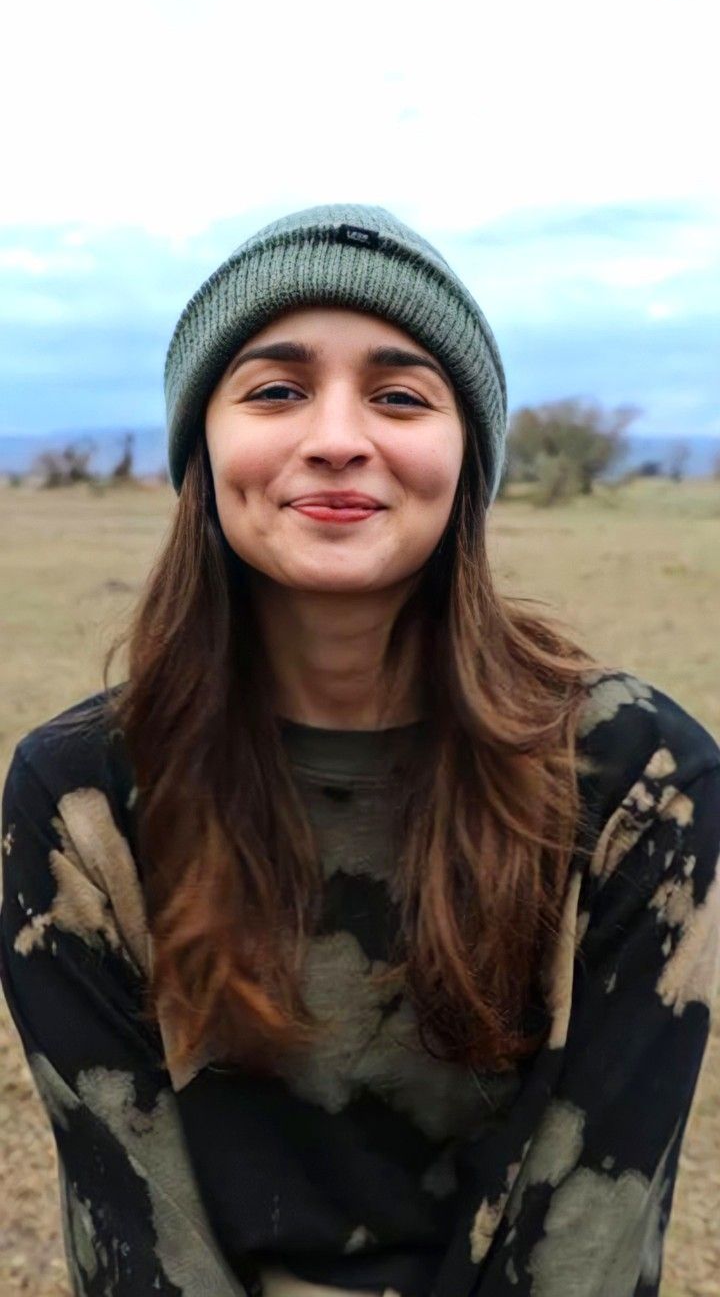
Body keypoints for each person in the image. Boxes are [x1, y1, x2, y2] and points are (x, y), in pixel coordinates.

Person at [1, 202, 719, 1297]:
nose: (338, 437)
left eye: (398, 395)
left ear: (465, 452)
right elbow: (137, 1236)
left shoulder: (641, 781)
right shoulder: (79, 799)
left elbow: (592, 1238)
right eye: (277, 389)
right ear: (205, 444)